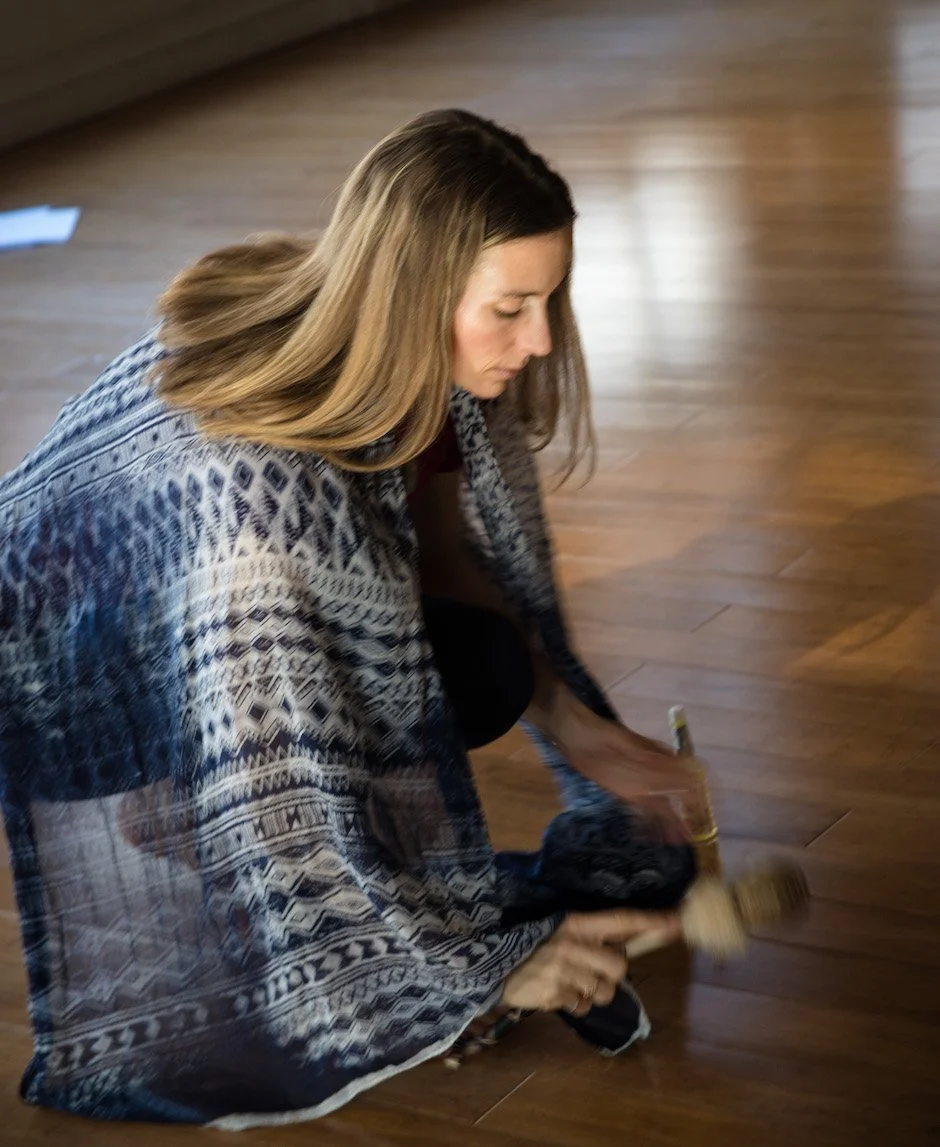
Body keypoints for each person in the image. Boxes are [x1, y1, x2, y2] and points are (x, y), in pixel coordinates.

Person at [0, 108, 696, 1128]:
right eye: (509, 308)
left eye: (548, 302)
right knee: (338, 741)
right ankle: (177, 807)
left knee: (481, 662)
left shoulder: (406, 369)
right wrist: (480, 973)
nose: (538, 339)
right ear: (414, 293)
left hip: (185, 631)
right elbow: (286, 797)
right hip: (66, 692)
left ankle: (195, 810)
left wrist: (590, 737)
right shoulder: (261, 509)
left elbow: (450, 563)